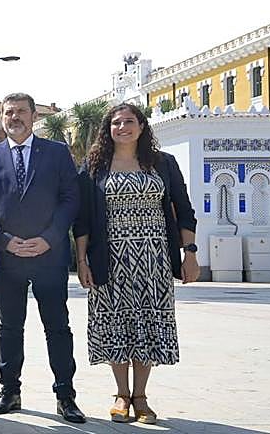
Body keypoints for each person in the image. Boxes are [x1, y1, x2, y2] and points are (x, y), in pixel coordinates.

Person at [74, 103, 198, 425]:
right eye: (116, 122)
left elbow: (184, 210)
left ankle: (141, 396)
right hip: (109, 259)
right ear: (108, 129)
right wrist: (82, 260)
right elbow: (83, 219)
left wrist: (190, 254)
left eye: (129, 121)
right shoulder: (95, 166)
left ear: (142, 126)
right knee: (116, 325)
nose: (122, 127)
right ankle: (120, 395)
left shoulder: (163, 164)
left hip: (154, 259)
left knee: (148, 325)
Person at [0, 92, 85, 424]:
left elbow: (70, 199)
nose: (15, 117)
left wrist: (49, 239)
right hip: (7, 259)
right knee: (9, 328)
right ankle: (10, 391)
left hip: (48, 257)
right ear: (2, 118)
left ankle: (65, 395)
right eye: (9, 112)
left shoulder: (56, 153)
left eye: (21, 111)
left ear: (34, 115)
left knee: (58, 327)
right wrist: (4, 241)